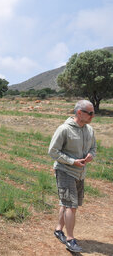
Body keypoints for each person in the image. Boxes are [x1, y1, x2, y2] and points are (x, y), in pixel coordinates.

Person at [48, 100, 97, 253]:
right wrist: (72, 161)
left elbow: (94, 148)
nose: (92, 116)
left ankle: (58, 229)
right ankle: (70, 239)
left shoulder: (89, 130)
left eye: (93, 112)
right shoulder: (64, 129)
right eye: (90, 113)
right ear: (79, 113)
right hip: (65, 171)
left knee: (66, 203)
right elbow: (53, 151)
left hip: (80, 173)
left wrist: (91, 155)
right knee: (71, 206)